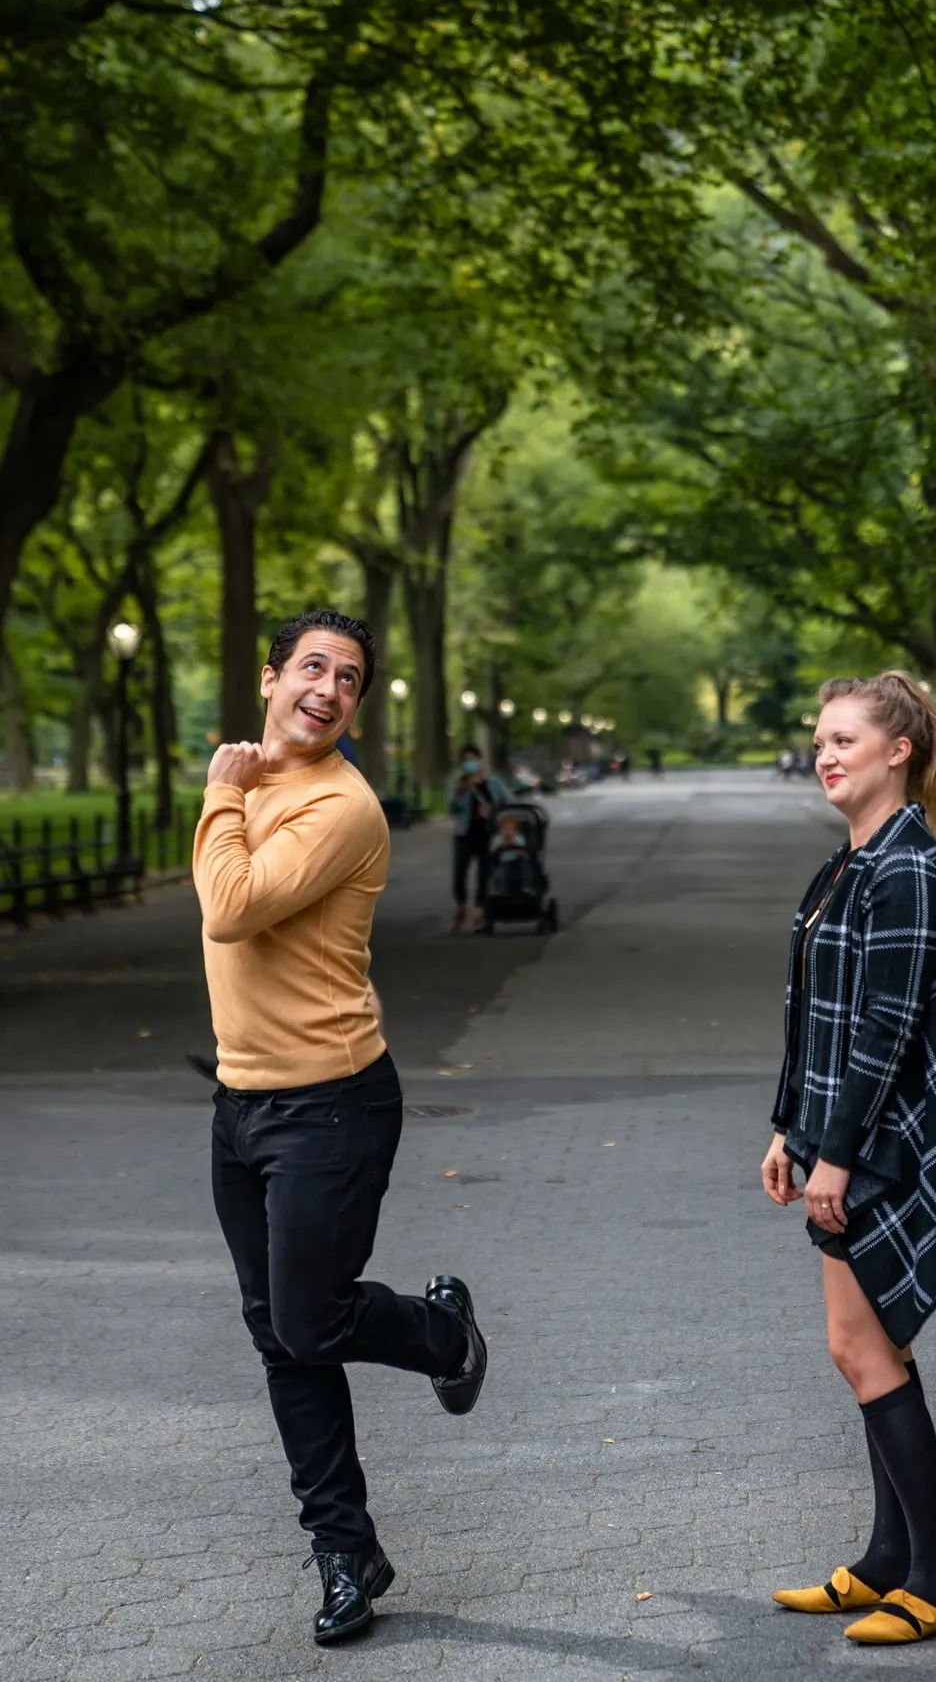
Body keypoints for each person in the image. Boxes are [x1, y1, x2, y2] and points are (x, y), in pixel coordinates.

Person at [194, 608, 488, 1648]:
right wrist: (236, 790)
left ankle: (442, 1333)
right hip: (241, 1104)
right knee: (282, 1336)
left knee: (308, 1320)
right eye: (312, 667)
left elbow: (231, 906)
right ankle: (344, 1549)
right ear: (270, 677)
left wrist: (222, 792)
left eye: (349, 678)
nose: (328, 687)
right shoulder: (255, 783)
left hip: (333, 1103)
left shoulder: (342, 806)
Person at [761, 670, 936, 1647]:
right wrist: (790, 1129)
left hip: (888, 1147)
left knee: (862, 1350)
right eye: (819, 739)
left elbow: (886, 1028)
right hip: (847, 1138)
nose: (826, 754)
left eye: (845, 740)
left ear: (898, 751)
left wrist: (837, 1156)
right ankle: (886, 1562)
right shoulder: (851, 863)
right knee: (873, 1348)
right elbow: (813, 1019)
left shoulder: (906, 866)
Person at [446, 742, 508, 931]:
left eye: (473, 760)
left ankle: (480, 908)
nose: (470, 763)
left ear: (480, 760)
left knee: (484, 873)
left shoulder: (492, 781)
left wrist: (491, 804)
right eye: (466, 761)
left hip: (486, 832)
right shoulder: (457, 782)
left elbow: (505, 800)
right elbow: (451, 807)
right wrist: (461, 789)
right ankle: (461, 905)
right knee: (459, 874)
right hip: (464, 833)